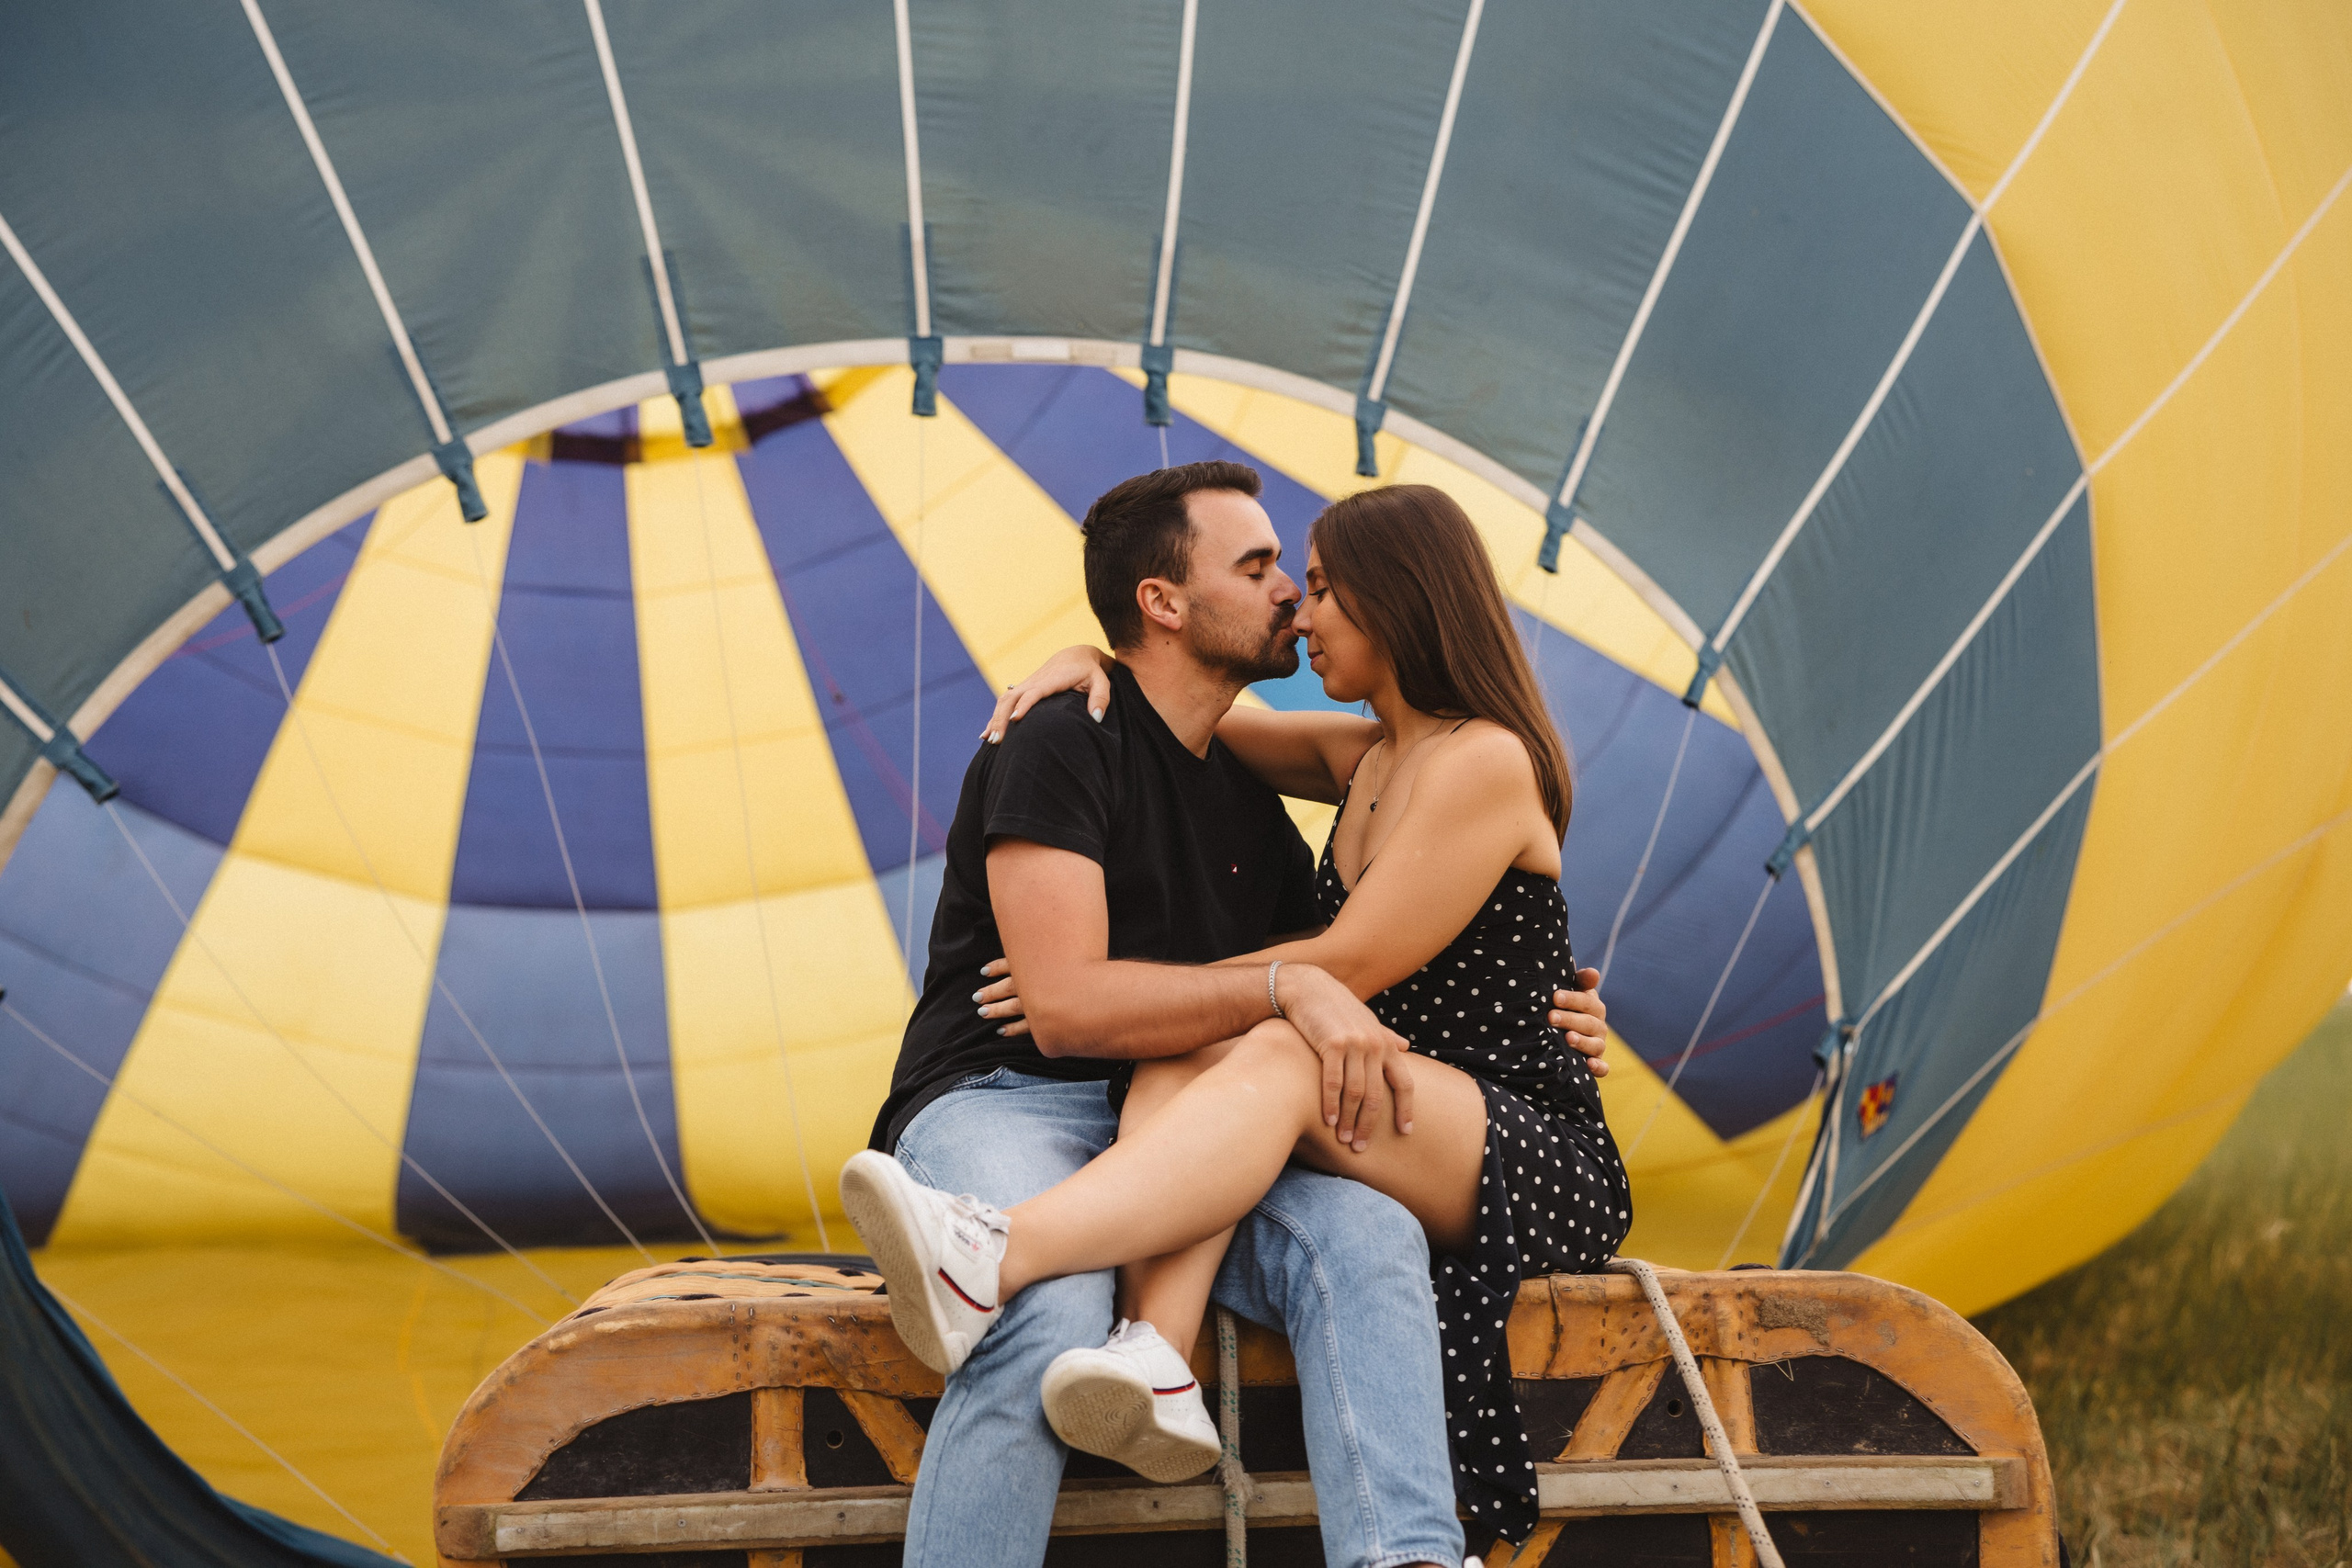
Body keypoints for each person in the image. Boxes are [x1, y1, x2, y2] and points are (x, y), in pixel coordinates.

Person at [845, 475, 1628, 1555]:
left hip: (1266, 1115)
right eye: (1262, 573)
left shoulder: (1330, 790)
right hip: (1015, 1096)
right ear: (1165, 602)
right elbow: (1077, 1012)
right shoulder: (1080, 736)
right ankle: (1058, 1299)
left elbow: (1343, 967)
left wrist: (1166, 990)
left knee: (1366, 1232)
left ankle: (1401, 1551)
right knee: (1054, 1310)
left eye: (1307, 583)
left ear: (1396, 600)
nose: (1293, 607)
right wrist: (1077, 667)